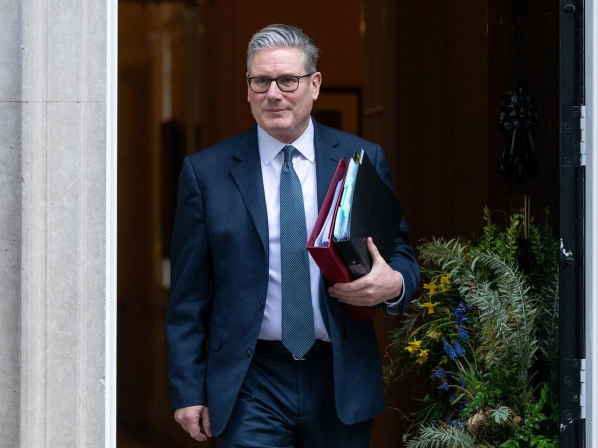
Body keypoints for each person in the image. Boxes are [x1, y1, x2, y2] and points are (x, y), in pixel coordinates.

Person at [166, 24, 419, 448]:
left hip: (338, 373)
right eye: (260, 81)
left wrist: (393, 284)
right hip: (250, 379)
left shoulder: (360, 158)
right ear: (248, 89)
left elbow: (400, 253)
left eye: (287, 80)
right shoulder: (206, 173)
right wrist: (188, 389)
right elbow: (188, 295)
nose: (273, 94)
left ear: (314, 85)